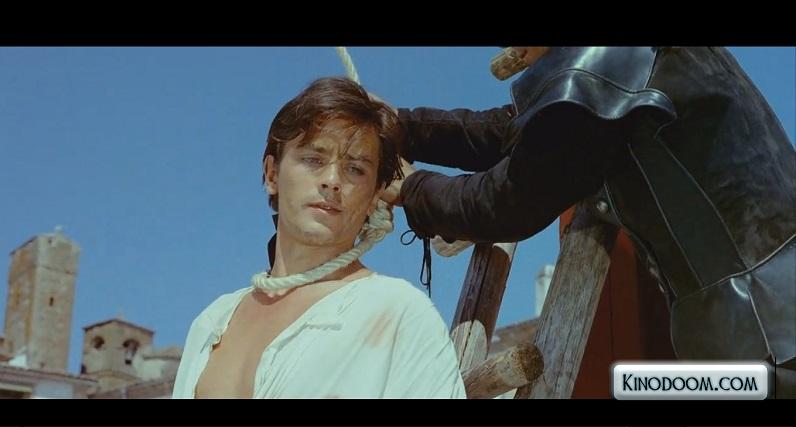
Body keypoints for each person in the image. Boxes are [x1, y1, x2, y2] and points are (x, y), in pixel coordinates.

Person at [383, 47, 795, 398]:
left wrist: (412, 188)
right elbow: (518, 131)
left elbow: (508, 202)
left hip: (764, 330)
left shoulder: (599, 65)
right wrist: (402, 128)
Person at [172, 77, 466, 398]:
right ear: (272, 174)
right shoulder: (212, 321)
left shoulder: (397, 313)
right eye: (314, 159)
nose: (332, 180)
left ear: (374, 196)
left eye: (355, 169)